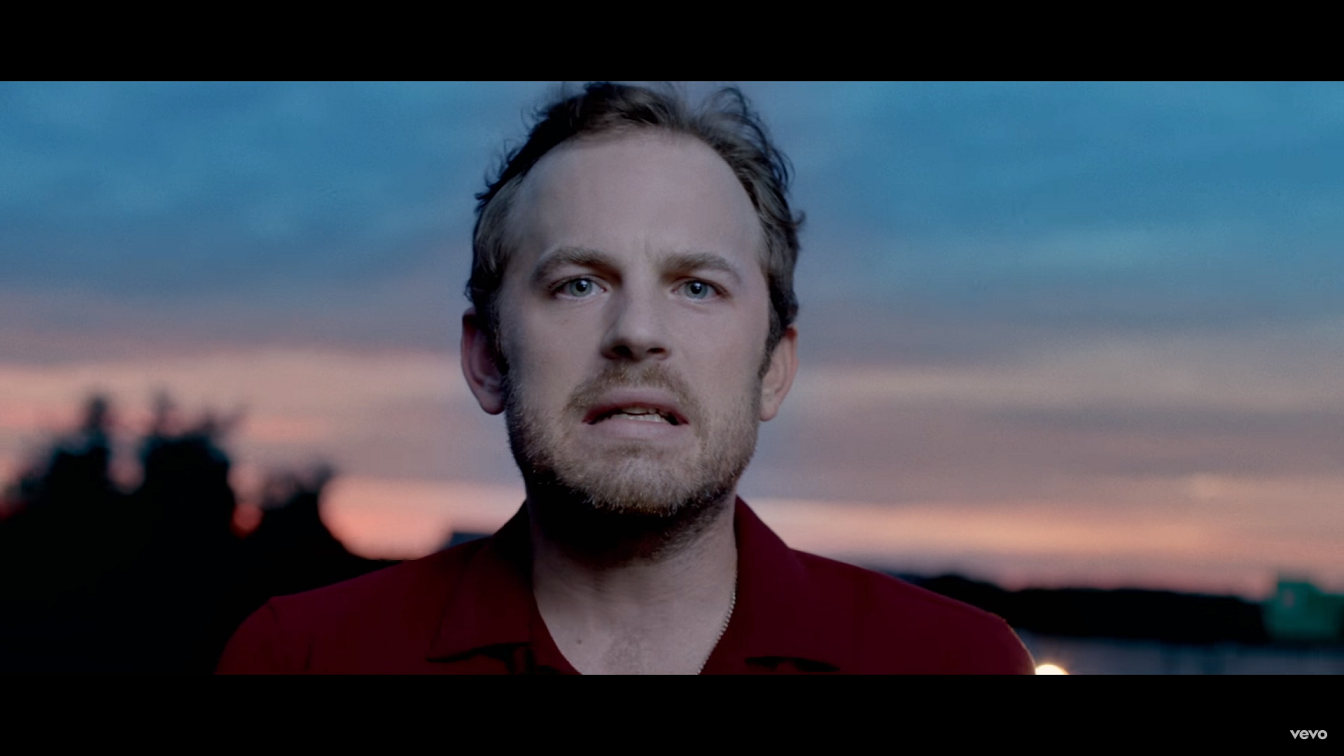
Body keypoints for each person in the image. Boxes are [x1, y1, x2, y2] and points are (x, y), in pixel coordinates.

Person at [216, 82, 1036, 674]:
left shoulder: (958, 662)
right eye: (578, 283)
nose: (637, 332)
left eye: (697, 287)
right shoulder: (304, 657)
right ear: (487, 358)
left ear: (773, 368)